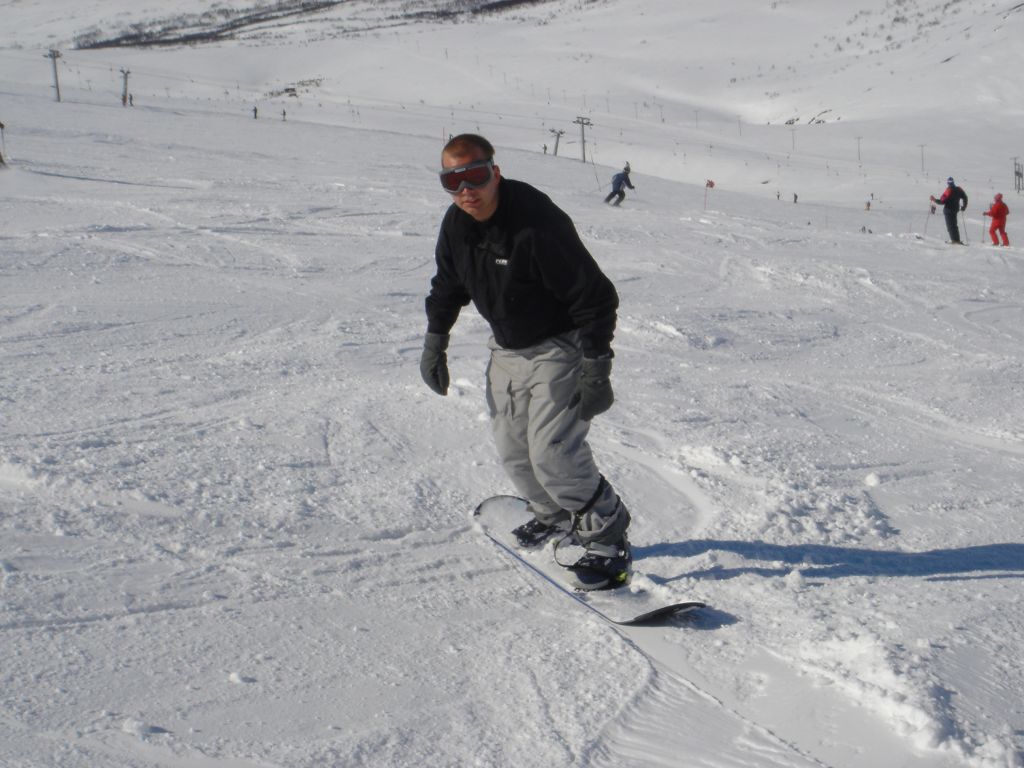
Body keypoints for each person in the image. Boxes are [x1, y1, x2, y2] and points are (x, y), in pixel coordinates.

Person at [420, 133, 632, 590]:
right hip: (507, 348)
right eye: (452, 182)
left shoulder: (536, 224)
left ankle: (608, 538)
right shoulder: (457, 224)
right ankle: (553, 515)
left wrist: (597, 366)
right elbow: (448, 285)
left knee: (553, 453)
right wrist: (435, 342)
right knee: (514, 452)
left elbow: (595, 297)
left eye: (475, 176)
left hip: (560, 345)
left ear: (495, 172)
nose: (466, 191)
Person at [930, 177, 968, 244]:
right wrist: (964, 207)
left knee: (950, 226)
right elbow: (965, 197)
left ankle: (954, 240)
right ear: (953, 182)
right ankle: (957, 240)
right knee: (954, 225)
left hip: (948, 210)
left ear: (948, 183)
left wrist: (934, 199)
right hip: (955, 209)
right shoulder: (959, 189)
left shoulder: (948, 190)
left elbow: (942, 201)